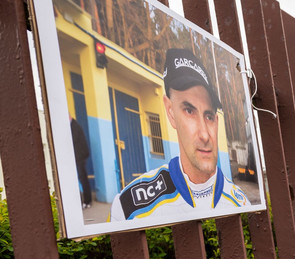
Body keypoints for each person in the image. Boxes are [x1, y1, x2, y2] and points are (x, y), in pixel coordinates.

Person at [110, 48, 250, 221]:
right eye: (189, 110)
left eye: (209, 116)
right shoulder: (129, 207)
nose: (205, 135)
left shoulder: (241, 203)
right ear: (170, 112)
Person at [70, 116, 92, 209]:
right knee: (81, 178)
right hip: (79, 156)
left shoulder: (74, 126)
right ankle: (86, 201)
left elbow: (73, 141)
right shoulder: (73, 125)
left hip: (80, 156)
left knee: (82, 178)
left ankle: (87, 201)